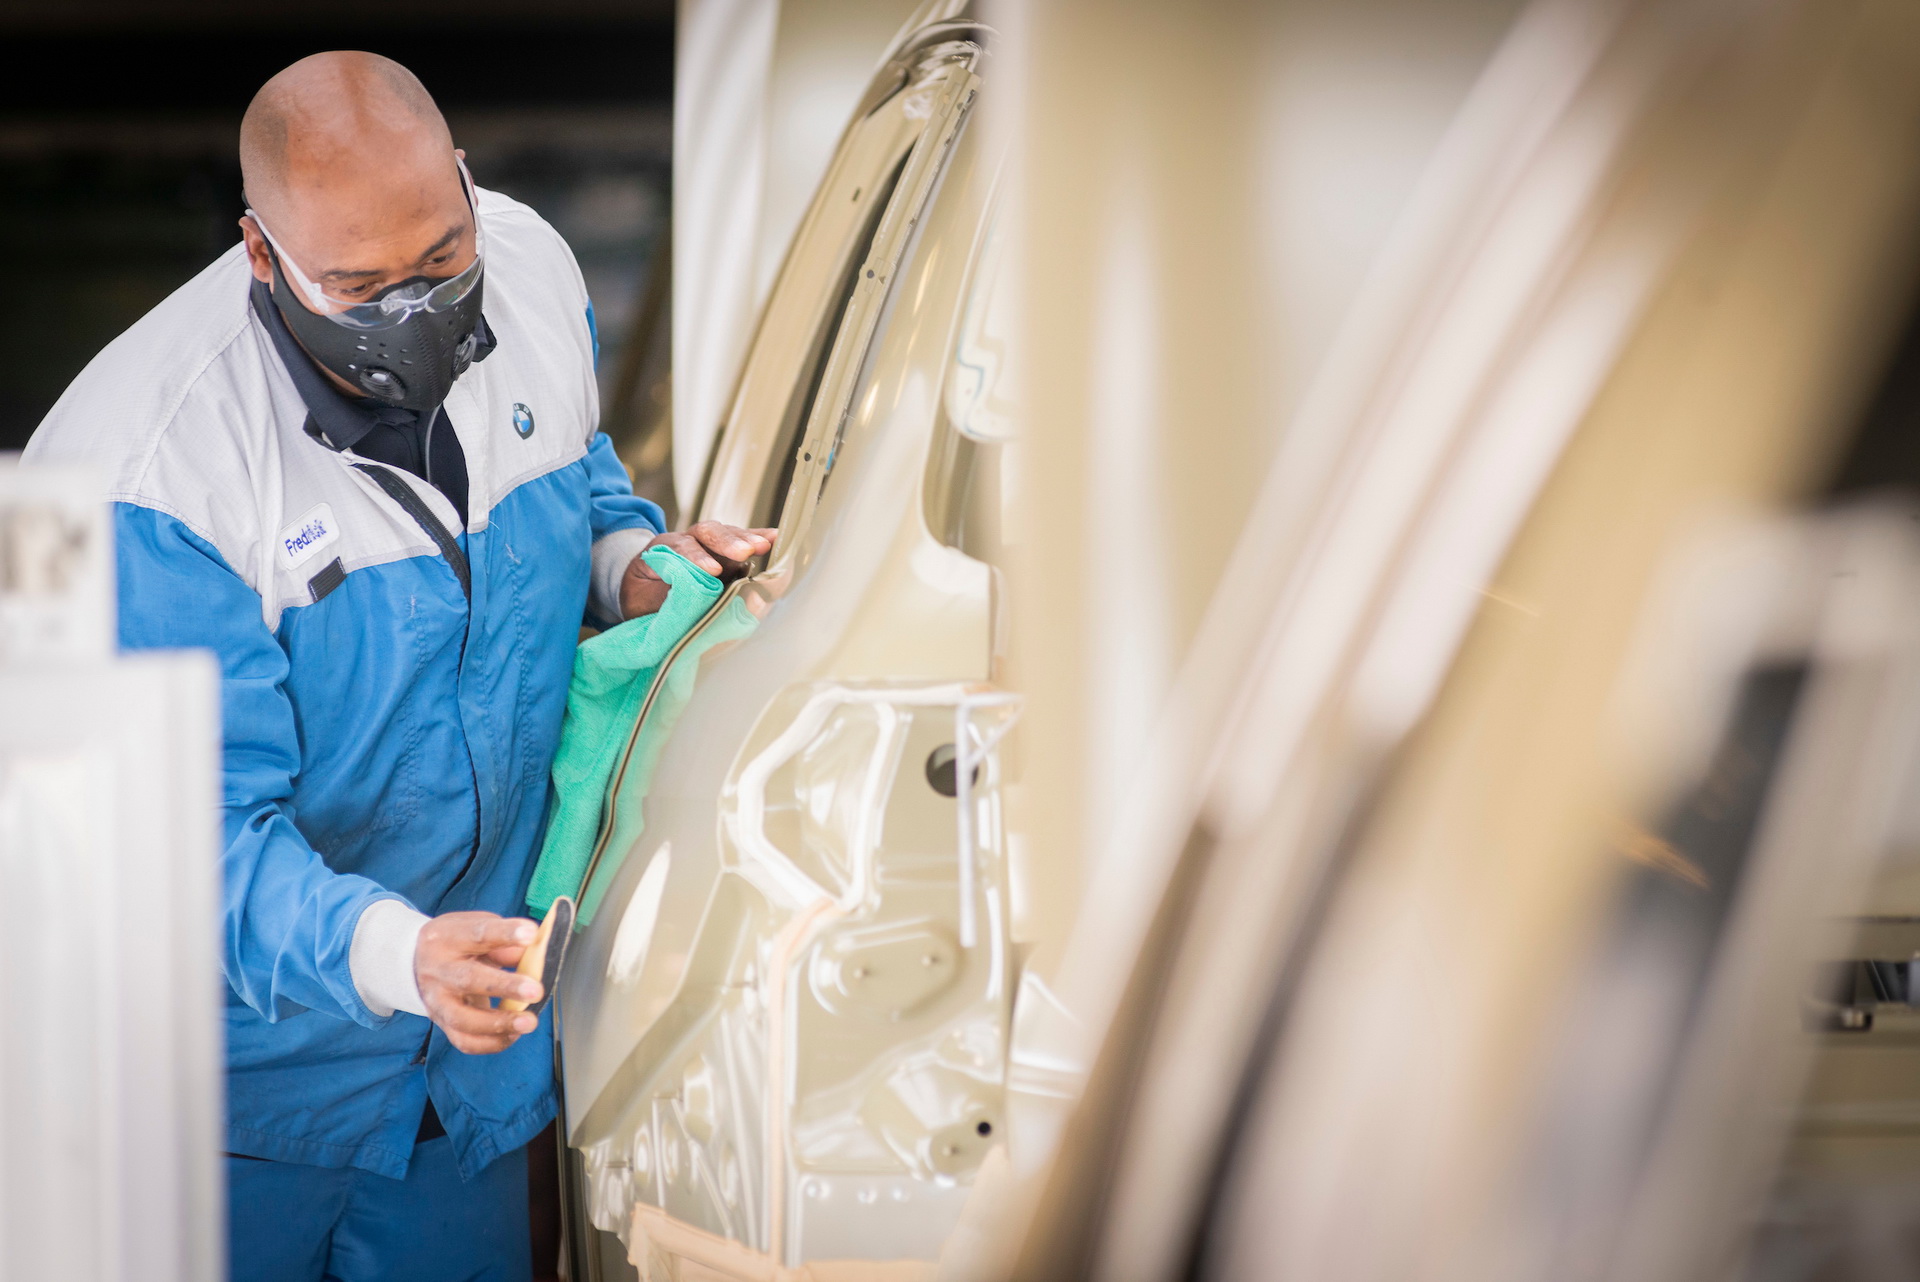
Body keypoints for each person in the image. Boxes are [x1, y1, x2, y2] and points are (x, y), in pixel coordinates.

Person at [24, 52, 772, 1281]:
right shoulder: (139, 484)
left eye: (437, 265)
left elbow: (569, 471)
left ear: (468, 189)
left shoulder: (529, 269)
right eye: (361, 286)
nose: (414, 312)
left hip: (461, 1075)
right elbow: (170, 843)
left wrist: (625, 563)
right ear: (262, 253)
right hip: (231, 1107)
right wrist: (396, 955)